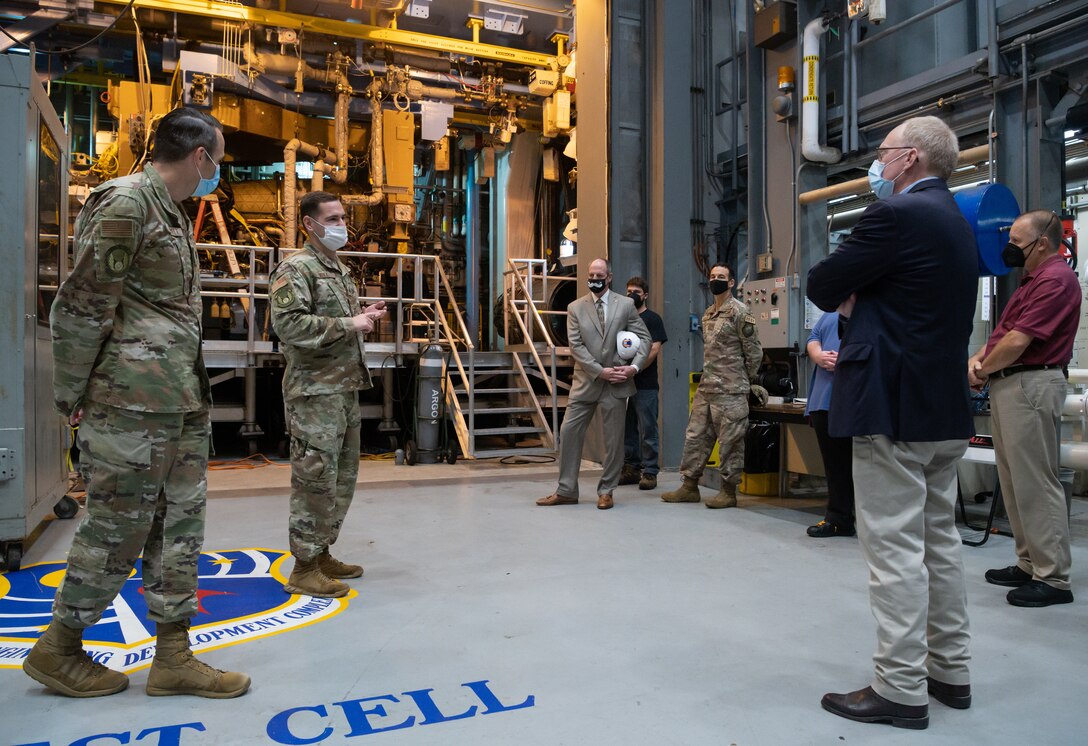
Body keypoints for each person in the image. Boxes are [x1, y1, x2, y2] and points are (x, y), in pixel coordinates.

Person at [26, 108, 249, 698]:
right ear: (199, 156)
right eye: (218, 159)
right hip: (128, 406)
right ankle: (58, 650)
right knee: (116, 531)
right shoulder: (126, 203)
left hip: (174, 401)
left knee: (179, 529)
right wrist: (72, 395)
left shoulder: (168, 214)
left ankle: (174, 655)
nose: (217, 171)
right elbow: (81, 306)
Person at [808, 115, 977, 729]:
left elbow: (823, 284)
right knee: (941, 545)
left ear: (908, 158)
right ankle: (949, 672)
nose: (875, 165)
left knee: (896, 552)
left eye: (881, 154)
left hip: (890, 409)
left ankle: (900, 688)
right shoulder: (957, 222)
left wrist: (857, 294)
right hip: (942, 410)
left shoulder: (895, 216)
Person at [270, 191, 387, 597]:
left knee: (342, 479)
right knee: (315, 480)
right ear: (309, 224)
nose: (342, 225)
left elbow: (341, 321)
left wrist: (364, 316)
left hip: (343, 390)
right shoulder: (295, 269)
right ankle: (303, 568)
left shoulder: (338, 269)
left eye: (342, 217)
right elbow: (290, 327)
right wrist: (350, 324)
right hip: (314, 393)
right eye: (333, 218)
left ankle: (320, 553)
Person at [968, 210, 1080, 608]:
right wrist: (979, 361)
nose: (1010, 247)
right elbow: (1002, 332)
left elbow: (1019, 342)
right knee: (1014, 480)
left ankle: (1053, 578)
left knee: (1036, 480)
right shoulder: (1030, 281)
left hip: (1031, 382)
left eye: (1017, 240)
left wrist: (981, 367)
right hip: (1010, 383)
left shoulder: (1056, 280)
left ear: (1043, 243)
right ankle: (1029, 562)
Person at [537, 258, 651, 510]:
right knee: (568, 433)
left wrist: (633, 368)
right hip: (586, 382)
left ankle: (607, 490)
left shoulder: (626, 305)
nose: (595, 278)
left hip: (617, 384)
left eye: (600, 274)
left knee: (613, 441)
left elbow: (644, 338)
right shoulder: (576, 307)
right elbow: (576, 346)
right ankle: (566, 489)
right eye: (591, 274)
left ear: (609, 277)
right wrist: (600, 372)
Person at [661, 264, 764, 508]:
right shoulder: (708, 313)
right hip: (707, 389)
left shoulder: (740, 312)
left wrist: (747, 380)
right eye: (712, 276)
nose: (715, 280)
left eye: (721, 277)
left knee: (730, 442)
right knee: (696, 437)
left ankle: (728, 492)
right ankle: (689, 486)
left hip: (731, 390)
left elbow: (754, 352)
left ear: (731, 283)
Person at [804, 310, 855, 537]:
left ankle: (851, 518)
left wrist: (845, 359)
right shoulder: (829, 314)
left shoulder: (869, 308)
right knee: (835, 465)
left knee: (859, 465)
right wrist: (819, 356)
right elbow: (813, 338)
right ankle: (839, 518)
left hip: (852, 398)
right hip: (823, 400)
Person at [618, 277, 668, 491]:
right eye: (629, 290)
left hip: (645, 384)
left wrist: (635, 369)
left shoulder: (652, 319)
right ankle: (631, 468)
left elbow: (654, 349)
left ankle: (650, 472)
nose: (632, 294)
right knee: (627, 428)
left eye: (636, 291)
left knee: (648, 428)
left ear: (645, 295)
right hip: (622, 383)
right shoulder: (622, 319)